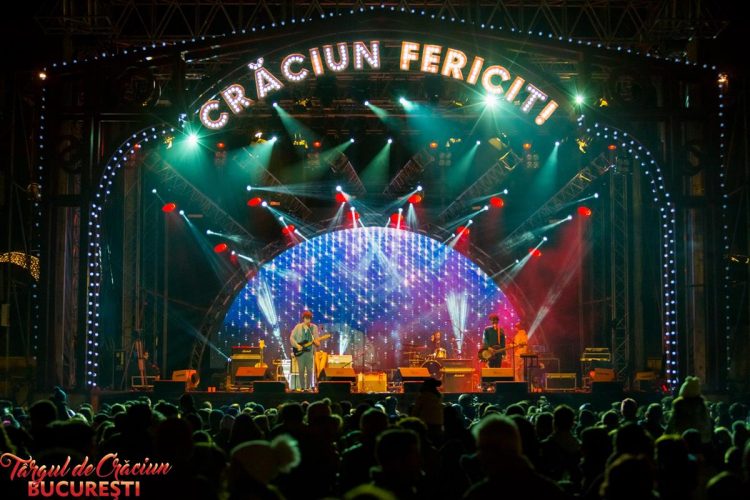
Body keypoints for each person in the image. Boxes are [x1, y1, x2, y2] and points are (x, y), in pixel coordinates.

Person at [289, 311, 320, 391]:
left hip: (309, 353)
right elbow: (291, 338)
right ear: (303, 319)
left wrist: (316, 342)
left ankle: (308, 387)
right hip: (300, 353)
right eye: (306, 319)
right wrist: (297, 345)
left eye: (309, 319)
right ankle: (302, 387)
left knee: (309, 370)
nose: (307, 320)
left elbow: (317, 342)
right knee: (301, 370)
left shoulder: (314, 327)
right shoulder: (298, 327)